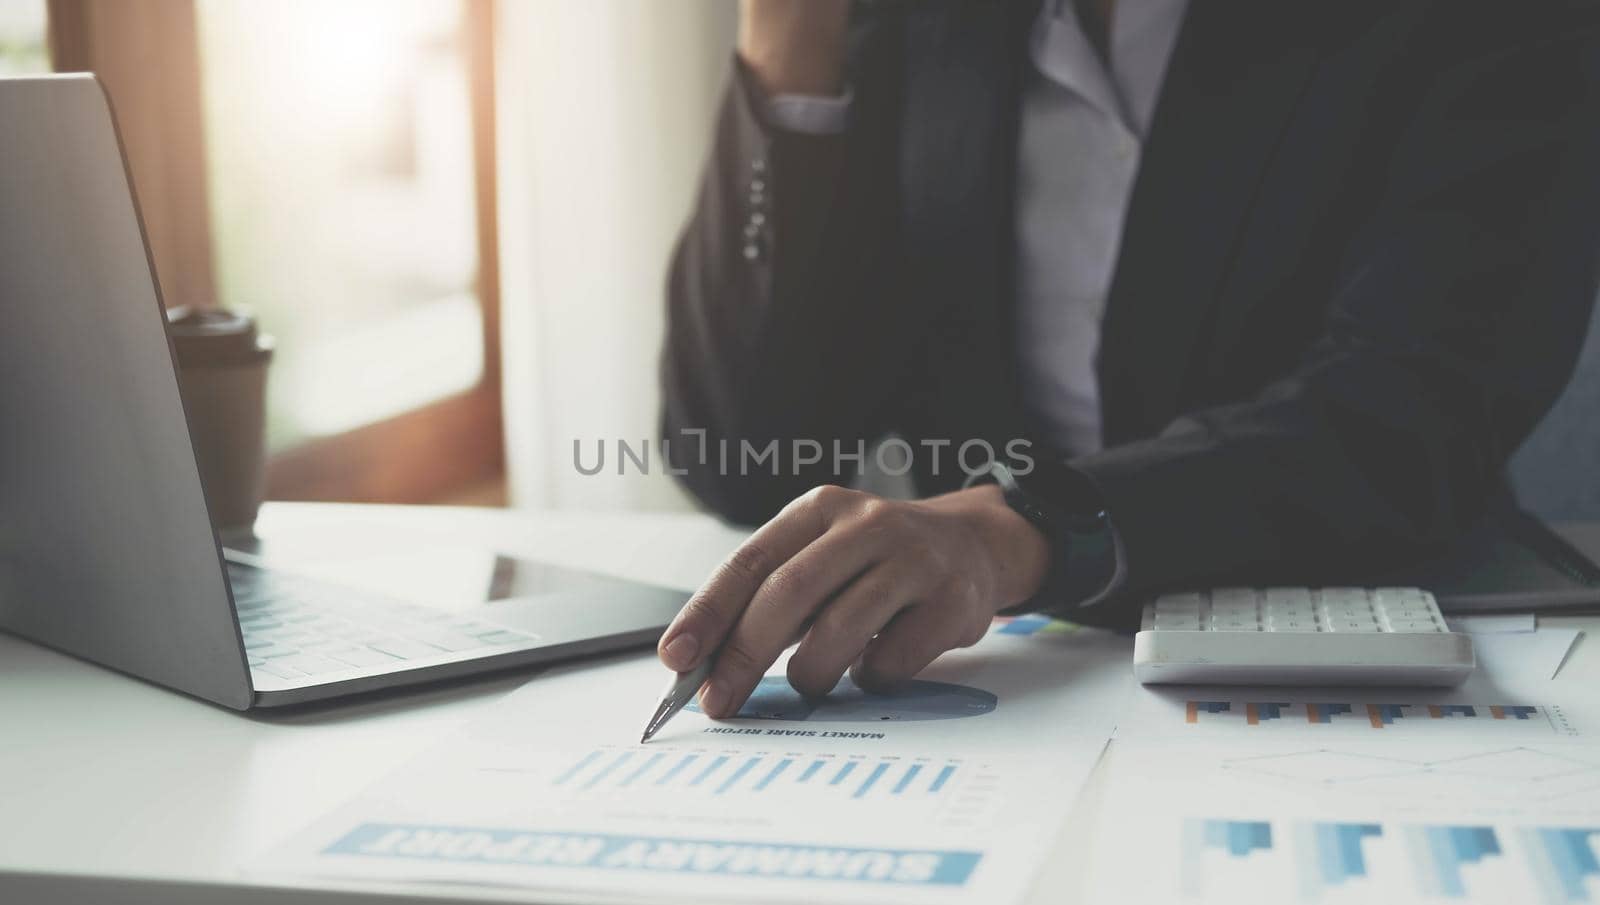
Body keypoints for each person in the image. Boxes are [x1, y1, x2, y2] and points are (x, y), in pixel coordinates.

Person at [655, 0, 1600, 719]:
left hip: (1387, 647)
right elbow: (747, 453)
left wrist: (1021, 527)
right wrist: (791, 46)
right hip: (991, 682)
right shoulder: (917, 23)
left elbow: (1414, 407)